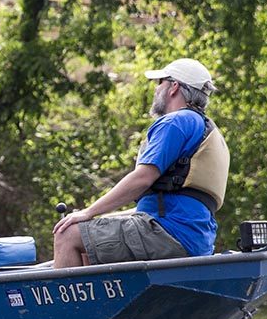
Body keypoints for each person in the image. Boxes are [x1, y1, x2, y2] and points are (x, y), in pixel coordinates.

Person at [52, 58, 229, 269]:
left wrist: (88, 212)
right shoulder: (205, 127)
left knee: (67, 234)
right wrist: (93, 216)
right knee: (88, 235)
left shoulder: (176, 121)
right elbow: (157, 208)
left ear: (174, 87)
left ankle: (75, 303)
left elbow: (143, 178)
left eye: (160, 82)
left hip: (168, 233)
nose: (155, 90)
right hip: (194, 239)